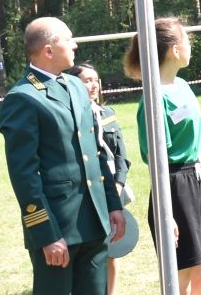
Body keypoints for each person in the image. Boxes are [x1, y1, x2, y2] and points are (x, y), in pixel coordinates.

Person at [0, 17, 131, 295]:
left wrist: (112, 205)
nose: (75, 45)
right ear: (48, 50)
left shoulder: (75, 87)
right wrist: (46, 233)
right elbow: (25, 176)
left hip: (94, 223)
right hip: (58, 230)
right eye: (68, 39)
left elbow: (95, 154)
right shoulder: (23, 98)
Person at [122, 18, 201, 295]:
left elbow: (196, 143)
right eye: (186, 41)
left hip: (196, 181)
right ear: (173, 50)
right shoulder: (153, 99)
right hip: (173, 186)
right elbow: (157, 160)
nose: (190, 47)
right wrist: (167, 213)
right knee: (179, 275)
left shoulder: (183, 86)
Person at [70, 64, 132, 295]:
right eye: (87, 80)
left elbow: (121, 155)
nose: (93, 85)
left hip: (113, 185)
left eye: (95, 79)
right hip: (88, 189)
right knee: (94, 246)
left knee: (113, 246)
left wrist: (118, 183)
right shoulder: (73, 116)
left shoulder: (108, 113)